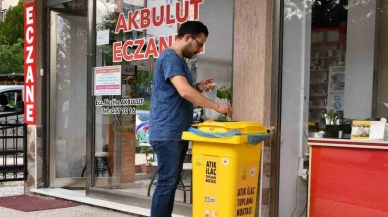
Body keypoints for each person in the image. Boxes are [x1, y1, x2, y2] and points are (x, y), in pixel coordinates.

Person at [148, 20, 232, 217]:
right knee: (167, 183)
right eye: (199, 44)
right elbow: (184, 92)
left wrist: (199, 87)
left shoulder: (179, 61)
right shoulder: (170, 58)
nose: (200, 49)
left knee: (170, 183)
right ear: (187, 38)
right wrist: (216, 106)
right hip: (167, 132)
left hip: (175, 132)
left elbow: (180, 91)